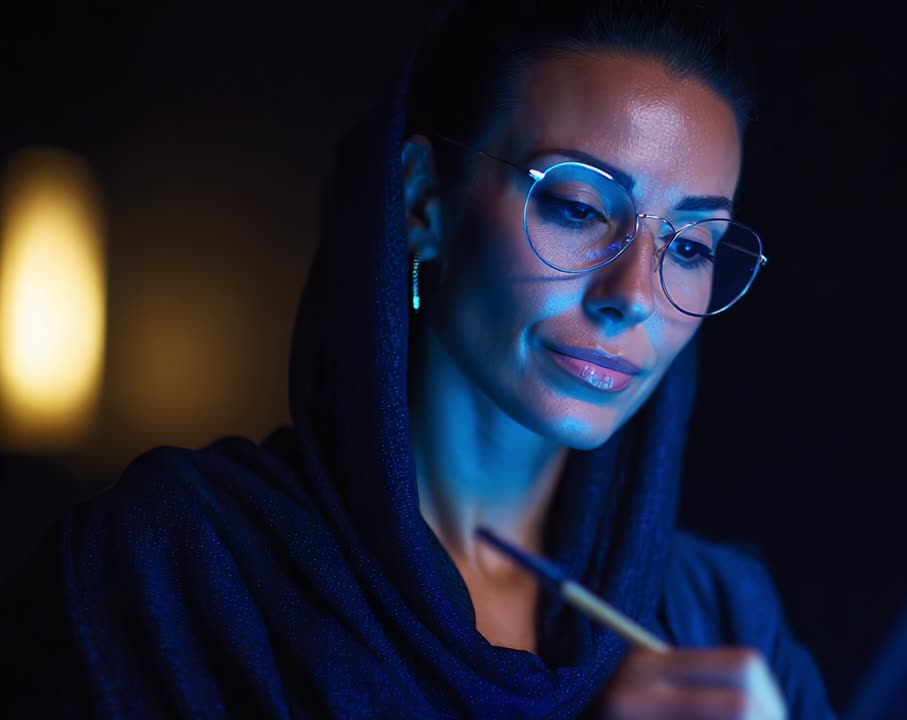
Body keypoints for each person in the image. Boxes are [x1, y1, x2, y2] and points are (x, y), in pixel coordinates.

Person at [6, 1, 835, 716]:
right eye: (580, 207)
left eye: (691, 246)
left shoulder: (724, 622)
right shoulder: (180, 565)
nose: (635, 293)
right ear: (421, 202)